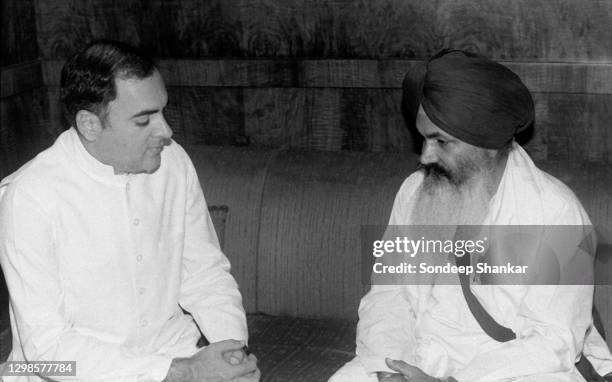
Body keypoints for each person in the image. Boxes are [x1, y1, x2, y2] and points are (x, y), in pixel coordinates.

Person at [329, 50, 612, 382]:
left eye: (440, 141)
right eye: (424, 138)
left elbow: (554, 341)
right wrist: (392, 370)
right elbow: (389, 293)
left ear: (487, 143)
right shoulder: (416, 191)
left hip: (513, 370)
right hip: (422, 356)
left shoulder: (558, 212)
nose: (425, 155)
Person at [0, 41, 260, 382]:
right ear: (89, 125)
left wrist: (230, 349)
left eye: (163, 111)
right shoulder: (27, 197)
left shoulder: (173, 161)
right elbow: (46, 351)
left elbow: (204, 273)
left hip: (174, 354)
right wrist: (181, 373)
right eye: (144, 120)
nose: (165, 131)